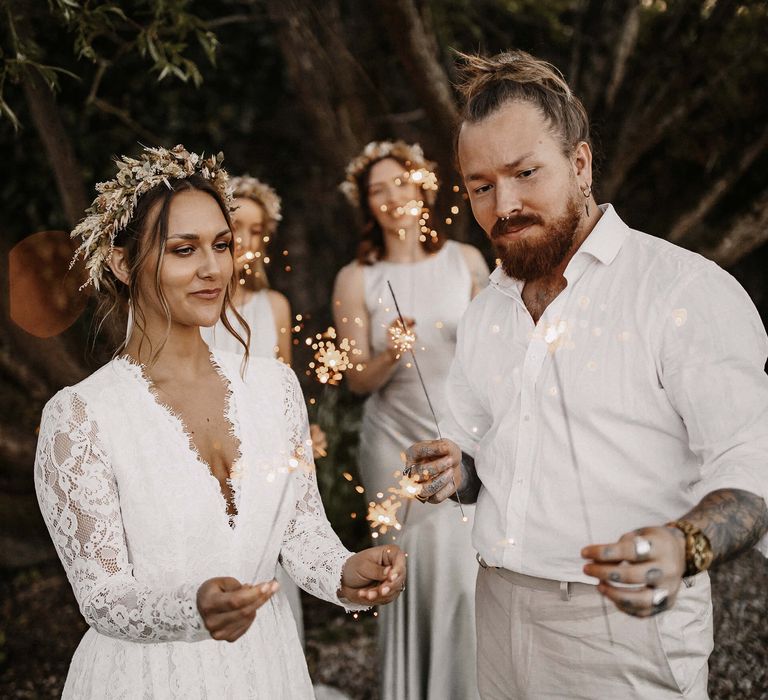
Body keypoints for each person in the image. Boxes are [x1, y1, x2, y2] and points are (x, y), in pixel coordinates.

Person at [407, 51, 768, 699]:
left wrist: (685, 545)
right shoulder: (488, 306)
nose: (504, 204)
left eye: (525, 173)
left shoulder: (682, 291)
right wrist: (454, 470)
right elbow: (477, 454)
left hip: (620, 625)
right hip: (497, 603)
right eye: (481, 185)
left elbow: (753, 465)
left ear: (580, 164)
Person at [34, 144, 406, 699]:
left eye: (222, 245)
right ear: (119, 263)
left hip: (267, 668)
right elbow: (103, 597)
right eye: (184, 250)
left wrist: (347, 572)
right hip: (149, 680)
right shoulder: (82, 417)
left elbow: (301, 536)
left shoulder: (274, 388)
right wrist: (193, 609)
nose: (213, 269)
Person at [333, 140, 489, 700]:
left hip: (458, 439)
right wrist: (392, 353)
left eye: (400, 182)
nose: (391, 196)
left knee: (460, 576)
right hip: (389, 442)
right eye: (377, 190)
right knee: (403, 570)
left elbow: (492, 355)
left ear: (421, 185)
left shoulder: (466, 262)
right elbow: (354, 381)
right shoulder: (357, 278)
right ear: (367, 204)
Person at [200, 175, 325, 645]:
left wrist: (302, 439)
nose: (246, 240)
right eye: (237, 226)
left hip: (263, 476)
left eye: (256, 231)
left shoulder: (274, 306)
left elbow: (284, 395)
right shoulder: (189, 307)